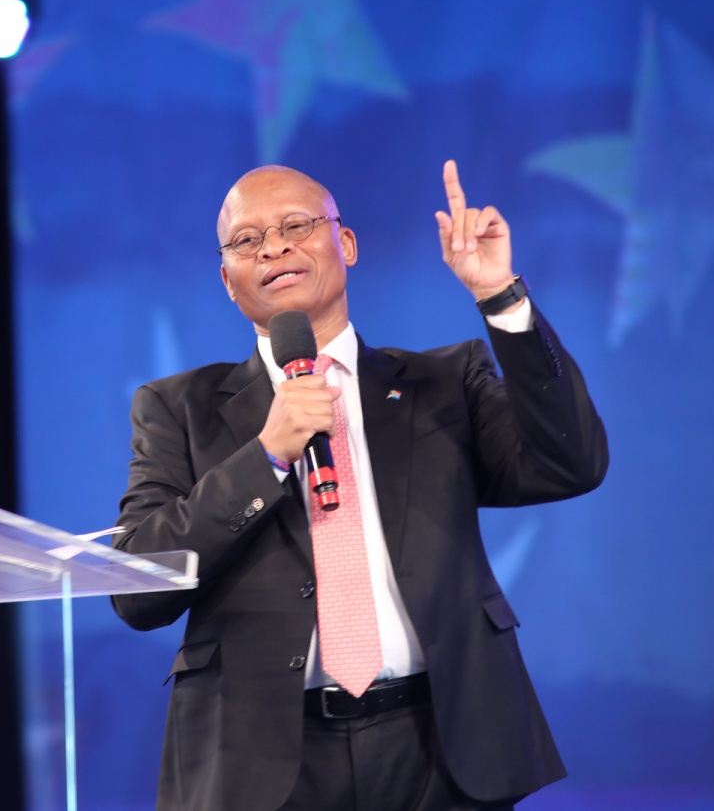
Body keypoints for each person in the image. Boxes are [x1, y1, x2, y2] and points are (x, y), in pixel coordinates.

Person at [111, 161, 608, 811]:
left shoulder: (443, 383)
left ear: (345, 244)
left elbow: (570, 462)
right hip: (260, 759)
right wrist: (265, 458)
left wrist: (501, 298)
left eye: (296, 226)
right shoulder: (179, 408)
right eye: (247, 240)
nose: (273, 248)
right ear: (228, 280)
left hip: (443, 745)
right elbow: (138, 590)